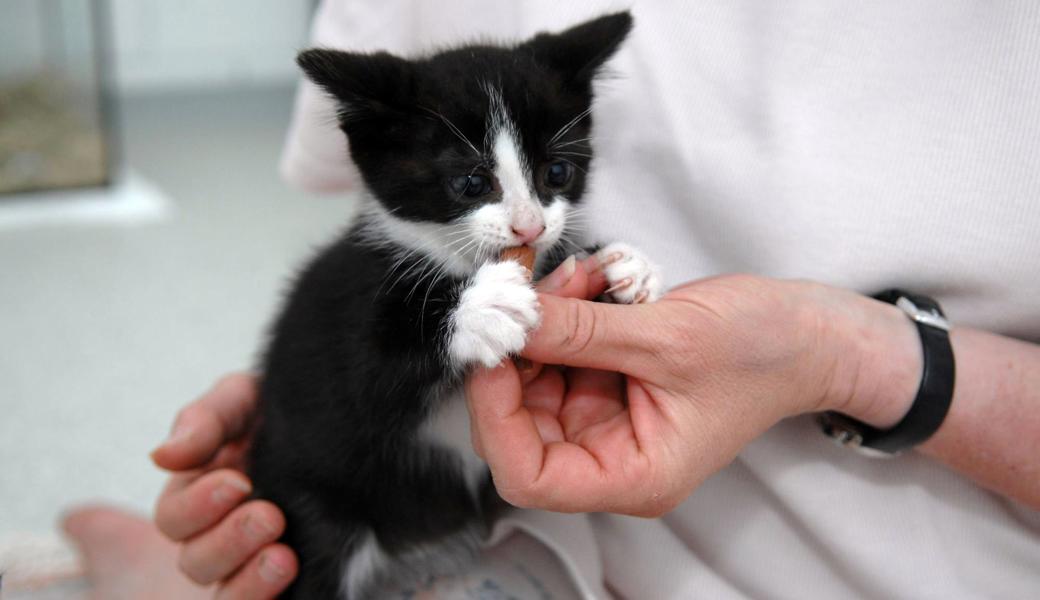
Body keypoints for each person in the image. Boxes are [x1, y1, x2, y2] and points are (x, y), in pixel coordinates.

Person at [66, 1, 1040, 598]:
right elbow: (364, 336)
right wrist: (309, 395)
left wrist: (853, 357)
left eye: (558, 172)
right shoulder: (393, 249)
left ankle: (138, 568)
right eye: (472, 190)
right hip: (475, 538)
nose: (529, 221)